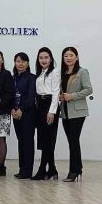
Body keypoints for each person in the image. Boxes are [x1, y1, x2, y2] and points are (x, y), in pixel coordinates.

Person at [58, 46, 93, 182]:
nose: (68, 58)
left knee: (73, 140)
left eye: (71, 55)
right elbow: (62, 90)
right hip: (65, 111)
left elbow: (88, 89)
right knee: (72, 141)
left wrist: (71, 96)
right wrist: (61, 96)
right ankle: (78, 169)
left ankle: (74, 171)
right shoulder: (62, 72)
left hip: (78, 112)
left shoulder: (82, 72)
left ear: (76, 57)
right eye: (66, 55)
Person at [33, 47, 60, 180]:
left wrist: (52, 111)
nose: (43, 60)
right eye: (41, 58)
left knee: (48, 139)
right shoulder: (39, 73)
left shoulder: (55, 72)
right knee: (44, 139)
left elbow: (56, 92)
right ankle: (52, 169)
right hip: (40, 106)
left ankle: (42, 169)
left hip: (49, 106)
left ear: (51, 59)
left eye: (46, 57)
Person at [12, 52, 37, 179]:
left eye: (23, 61)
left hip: (28, 114)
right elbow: (10, 95)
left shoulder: (32, 78)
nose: (20, 64)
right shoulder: (13, 77)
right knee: (20, 141)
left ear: (27, 63)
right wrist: (12, 109)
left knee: (27, 142)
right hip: (15, 114)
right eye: (18, 61)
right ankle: (22, 169)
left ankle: (27, 171)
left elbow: (31, 96)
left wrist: (21, 109)